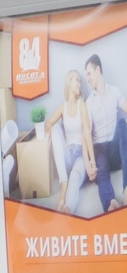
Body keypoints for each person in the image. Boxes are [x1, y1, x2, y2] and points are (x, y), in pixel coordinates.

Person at [46, 69, 96, 213]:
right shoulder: (63, 107)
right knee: (55, 128)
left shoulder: (82, 105)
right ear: (69, 82)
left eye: (80, 81)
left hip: (81, 155)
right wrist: (48, 136)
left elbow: (87, 132)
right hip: (68, 155)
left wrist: (92, 160)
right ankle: (63, 187)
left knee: (75, 176)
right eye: (77, 80)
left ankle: (67, 208)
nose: (79, 84)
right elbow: (49, 124)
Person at [84, 54, 127, 211]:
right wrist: (90, 161)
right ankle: (110, 203)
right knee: (102, 170)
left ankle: (126, 188)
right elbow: (87, 132)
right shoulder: (89, 103)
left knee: (122, 123)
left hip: (115, 149)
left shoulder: (115, 92)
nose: (87, 79)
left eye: (89, 73)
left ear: (97, 70)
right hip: (100, 148)